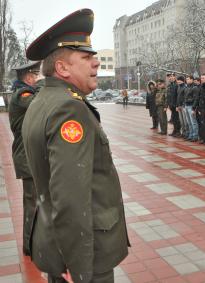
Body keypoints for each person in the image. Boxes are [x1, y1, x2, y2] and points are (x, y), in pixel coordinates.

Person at [22, 9, 129, 282]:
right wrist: (79, 267)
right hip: (85, 254)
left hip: (58, 242)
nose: (95, 63)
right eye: (86, 57)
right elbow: (70, 196)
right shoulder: (68, 109)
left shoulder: (43, 101)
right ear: (62, 68)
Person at [8, 60, 41, 256]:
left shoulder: (22, 92)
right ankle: (29, 246)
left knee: (35, 202)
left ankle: (34, 241)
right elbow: (39, 102)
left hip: (29, 156)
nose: (38, 78)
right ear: (28, 77)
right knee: (32, 203)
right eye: (36, 75)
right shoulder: (23, 94)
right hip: (27, 157)